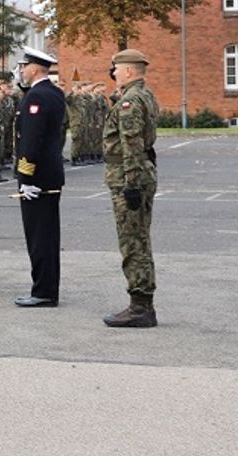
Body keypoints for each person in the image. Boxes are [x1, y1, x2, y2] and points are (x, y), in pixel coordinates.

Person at [102, 48, 160, 328]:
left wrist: (132, 184)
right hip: (139, 172)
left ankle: (140, 306)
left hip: (129, 177)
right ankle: (142, 302)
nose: (113, 73)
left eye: (116, 69)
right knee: (139, 237)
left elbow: (132, 143)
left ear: (127, 70)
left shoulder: (131, 102)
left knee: (133, 241)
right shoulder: (142, 94)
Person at [13, 47, 67, 308]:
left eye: (24, 67)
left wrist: (26, 178)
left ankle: (43, 291)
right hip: (51, 174)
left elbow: (31, 141)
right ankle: (46, 288)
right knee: (47, 234)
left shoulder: (37, 96)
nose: (21, 71)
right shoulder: (53, 93)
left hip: (39, 177)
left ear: (34, 68)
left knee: (39, 236)